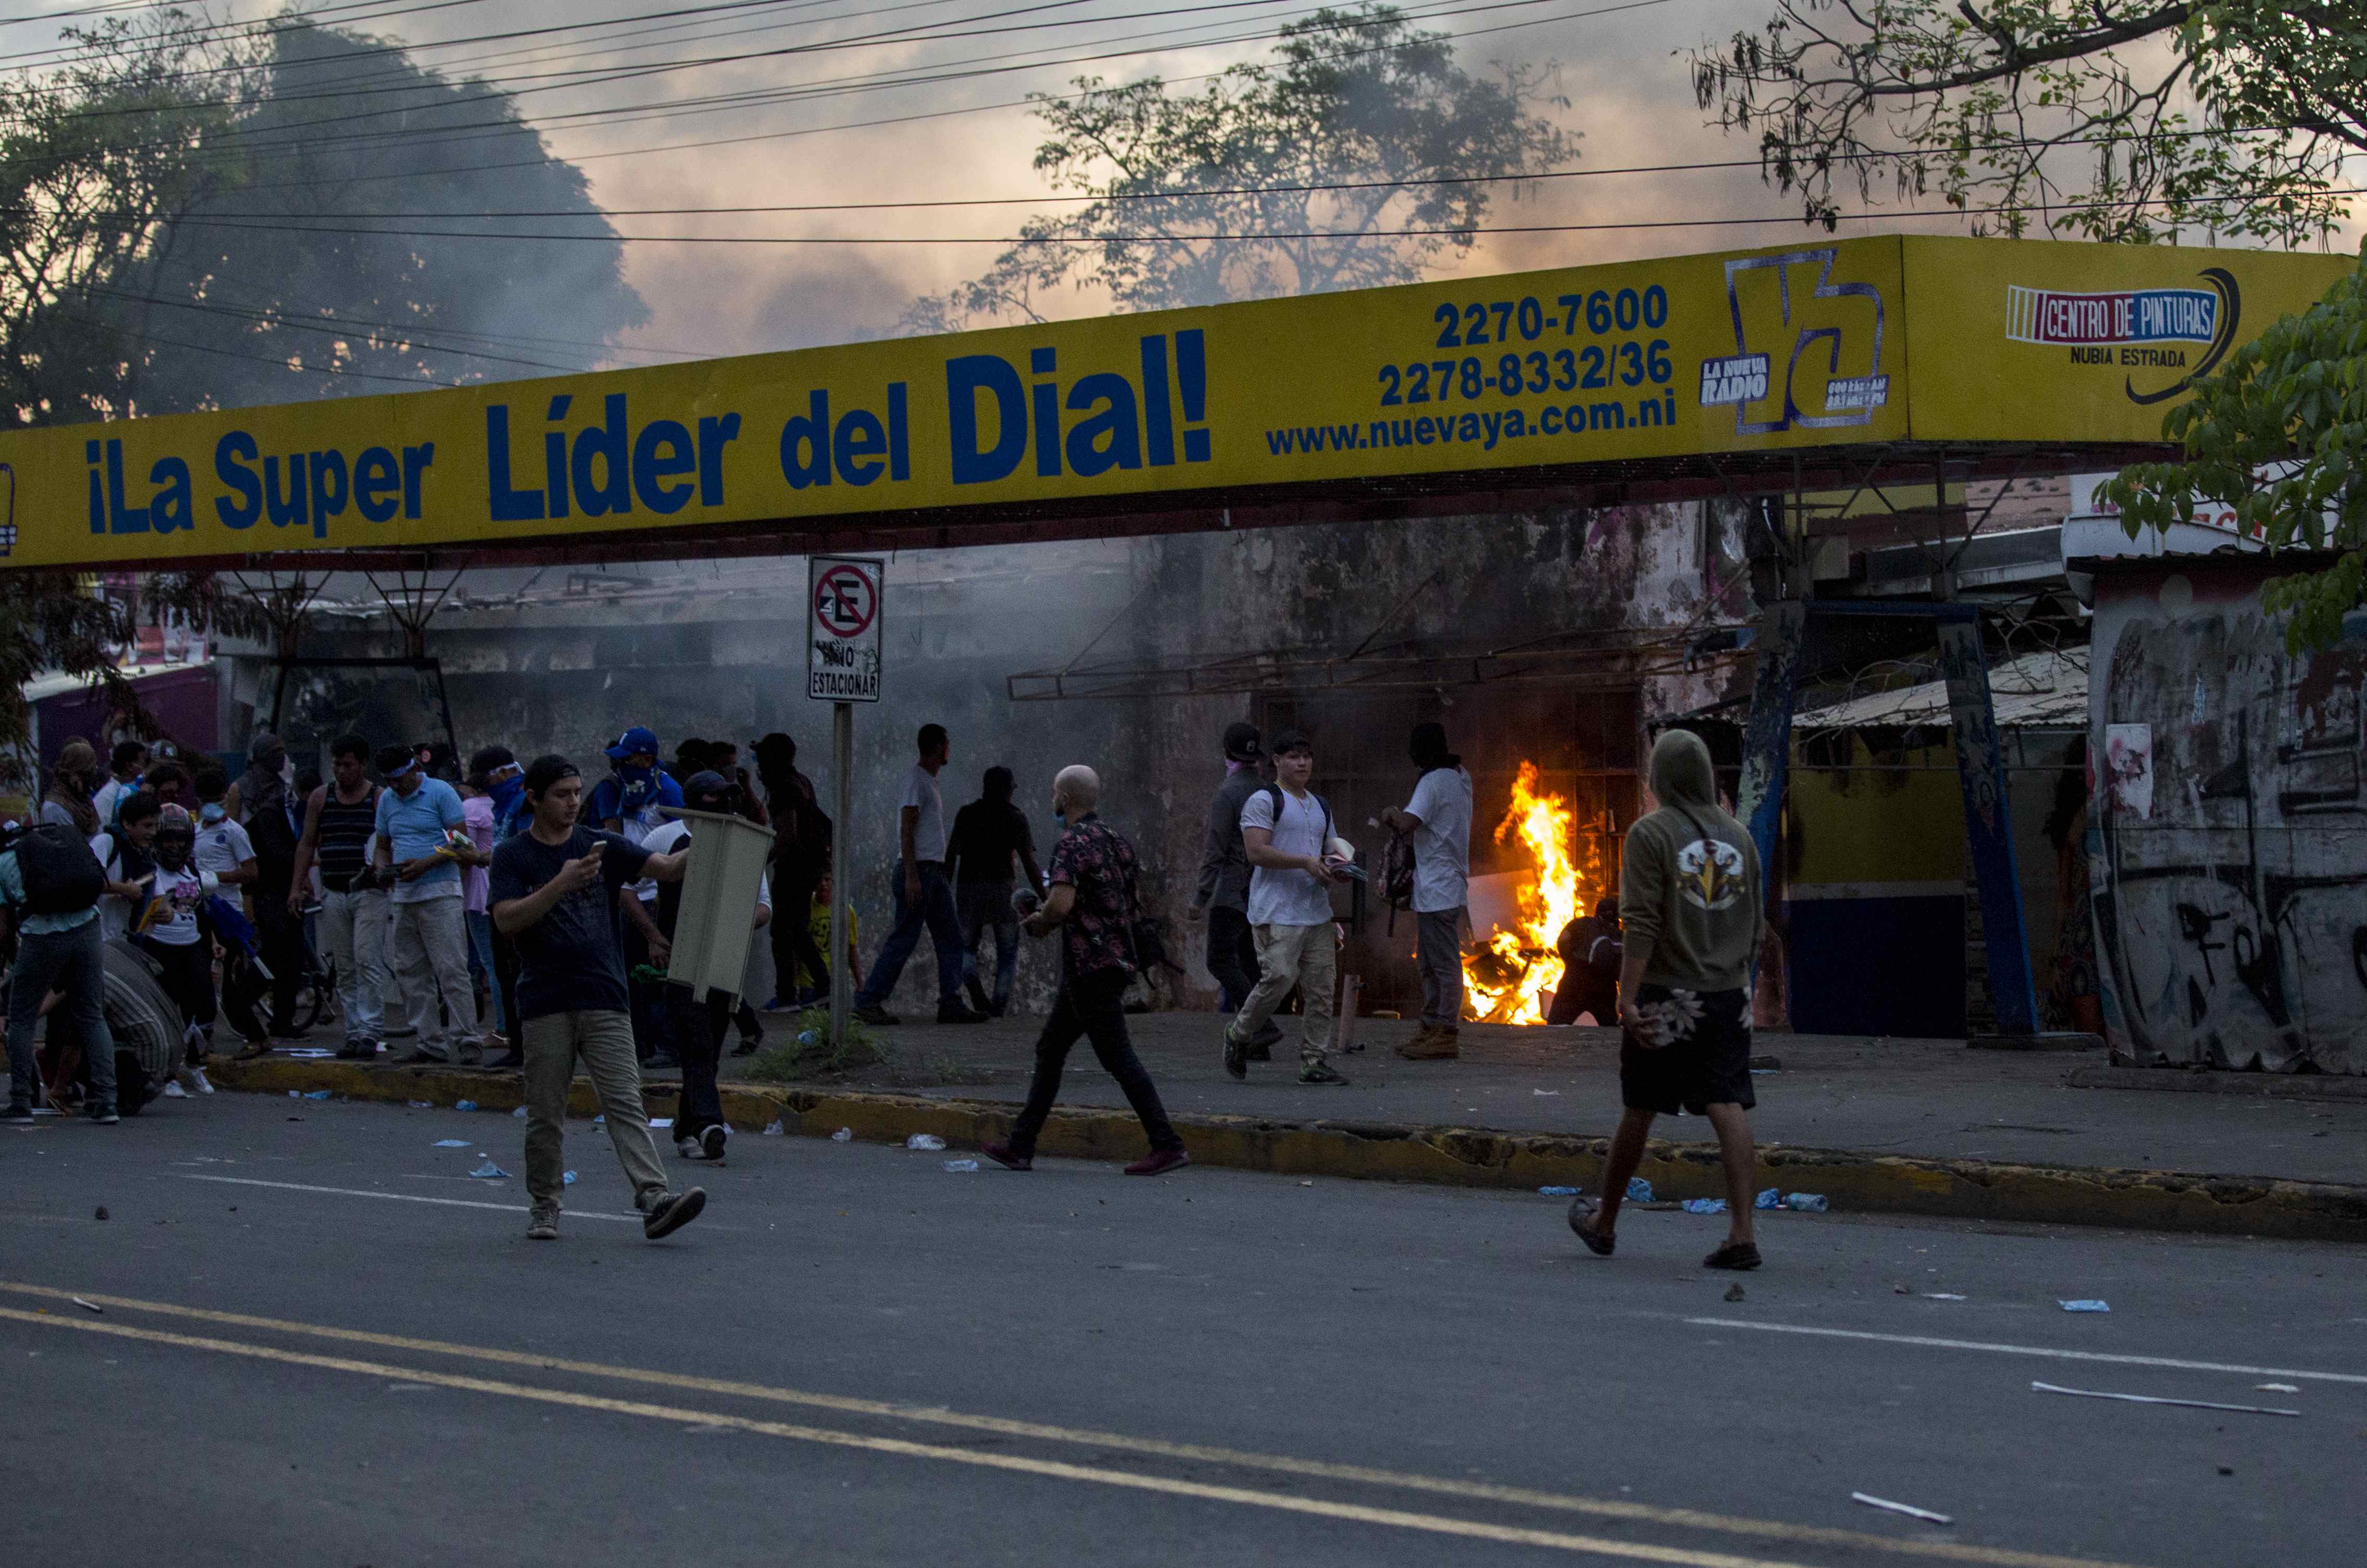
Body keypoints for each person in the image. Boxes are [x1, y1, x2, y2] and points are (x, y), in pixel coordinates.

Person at [1570, 729, 1766, 1271]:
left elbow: (1641, 923)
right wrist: (1735, 976)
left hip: (1667, 996)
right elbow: (1755, 926)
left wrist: (1625, 998)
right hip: (1727, 995)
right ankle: (1742, 1232)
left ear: (1660, 776)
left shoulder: (1649, 834)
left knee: (1640, 1106)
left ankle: (1604, 1221)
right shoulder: (1741, 837)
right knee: (1726, 1102)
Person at [490, 754, 706, 1242]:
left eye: (575, 792)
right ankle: (545, 1204)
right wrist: (562, 881)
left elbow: (667, 869)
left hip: (605, 996)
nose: (572, 803)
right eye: (561, 794)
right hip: (546, 1001)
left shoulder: (601, 845)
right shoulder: (513, 856)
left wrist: (716, 838)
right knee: (546, 1112)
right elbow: (506, 920)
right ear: (533, 798)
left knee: (625, 1102)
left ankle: (654, 1197)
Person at [982, 766, 1188, 1176]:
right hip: (1114, 959)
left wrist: (1039, 921)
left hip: (1089, 966)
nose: (1052, 801)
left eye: (1055, 793)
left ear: (1067, 799)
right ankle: (1021, 1145)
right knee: (1051, 1048)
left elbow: (1060, 904)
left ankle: (1167, 1144)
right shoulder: (1116, 840)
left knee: (1118, 1057)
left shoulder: (1072, 843)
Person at [640, 770, 772, 1162]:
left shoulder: (745, 843)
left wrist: (732, 922)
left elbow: (764, 906)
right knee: (695, 1044)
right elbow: (629, 889)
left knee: (709, 1049)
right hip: (680, 961)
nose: (723, 806)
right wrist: (652, 936)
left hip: (724, 961)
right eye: (714, 799)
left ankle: (687, 1129)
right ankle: (711, 1123)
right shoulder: (665, 838)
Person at [1223, 730, 1353, 1085]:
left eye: (1306, 756)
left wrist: (1338, 869)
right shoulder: (1265, 800)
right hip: (1276, 912)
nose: (1302, 763)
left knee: (1322, 990)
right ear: (1276, 761)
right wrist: (1305, 862)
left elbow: (1330, 851)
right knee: (1278, 978)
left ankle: (1313, 1061)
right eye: (1293, 756)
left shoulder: (1320, 805)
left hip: (1317, 913)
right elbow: (1256, 851)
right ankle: (1239, 1033)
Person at [854, 723, 985, 1026]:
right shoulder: (917, 780)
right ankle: (868, 1001)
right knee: (904, 938)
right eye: (947, 744)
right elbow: (907, 829)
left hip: (932, 873)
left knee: (951, 937)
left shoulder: (928, 782)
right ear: (939, 747)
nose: (949, 750)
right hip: (921, 872)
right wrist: (912, 876)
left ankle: (951, 1002)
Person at [2, 810, 119, 1124]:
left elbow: (3, 926)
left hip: (42, 937)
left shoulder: (4, 862)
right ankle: (107, 1101)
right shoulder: (61, 844)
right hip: (87, 930)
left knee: (22, 1018)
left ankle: (20, 1102)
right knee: (92, 1015)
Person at [373, 743, 486, 1066]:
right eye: (389, 780)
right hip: (404, 896)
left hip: (440, 892)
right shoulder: (387, 801)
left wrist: (426, 863)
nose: (396, 786)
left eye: (399, 778)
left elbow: (462, 843)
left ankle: (469, 1040)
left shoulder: (441, 793)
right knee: (410, 971)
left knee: (451, 968)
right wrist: (382, 867)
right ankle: (430, 1042)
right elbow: (383, 845)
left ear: (413, 769)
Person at [290, 735, 393, 1060]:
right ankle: (353, 1031)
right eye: (336, 764)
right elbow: (307, 843)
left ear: (362, 765)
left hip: (369, 892)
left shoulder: (379, 798)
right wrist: (298, 884)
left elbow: (388, 842)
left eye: (348, 765)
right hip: (333, 891)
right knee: (346, 966)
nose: (341, 771)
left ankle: (370, 1031)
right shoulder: (321, 798)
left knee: (367, 959)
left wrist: (383, 871)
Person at [593, 726, 684, 1065]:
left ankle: (667, 1045)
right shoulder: (624, 789)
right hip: (630, 892)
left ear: (646, 758)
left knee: (662, 975)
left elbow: (683, 839)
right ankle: (640, 1043)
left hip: (659, 896)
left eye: (628, 759)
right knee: (633, 976)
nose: (622, 766)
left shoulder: (668, 790)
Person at [1383, 722, 1474, 1062]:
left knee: (1443, 964)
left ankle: (1445, 1032)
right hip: (1443, 887)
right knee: (1430, 962)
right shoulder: (1460, 777)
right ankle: (1431, 1027)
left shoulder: (1433, 781)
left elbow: (1408, 822)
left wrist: (1391, 814)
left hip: (1438, 889)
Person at [1192, 723, 1272, 1042]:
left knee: (1220, 961)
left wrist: (1200, 898)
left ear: (1227, 754)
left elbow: (1216, 851)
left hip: (1231, 892)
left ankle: (1262, 1026)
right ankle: (1256, 1041)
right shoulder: (1267, 790)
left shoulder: (1228, 794)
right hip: (1260, 892)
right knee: (1251, 965)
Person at [946, 765, 1044, 1018]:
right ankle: (998, 1010)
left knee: (964, 949)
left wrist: (944, 889)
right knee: (1008, 954)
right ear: (1007, 790)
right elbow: (1029, 863)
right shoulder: (1015, 817)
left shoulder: (967, 814)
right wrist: (1046, 895)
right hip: (1002, 890)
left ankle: (977, 992)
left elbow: (950, 856)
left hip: (968, 890)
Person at [229, 731, 306, 1039]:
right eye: (275, 751)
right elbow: (230, 832)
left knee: (292, 955)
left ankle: (282, 1021)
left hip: (286, 876)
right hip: (262, 881)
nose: (281, 756)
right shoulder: (242, 788)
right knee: (272, 954)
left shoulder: (283, 786)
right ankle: (238, 1004)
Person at [135, 807, 223, 1059]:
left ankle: (195, 1063)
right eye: (169, 840)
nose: (175, 847)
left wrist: (214, 942)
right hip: (159, 947)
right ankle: (168, 1073)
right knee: (164, 1010)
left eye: (181, 840)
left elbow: (198, 913)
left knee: (205, 1007)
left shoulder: (192, 872)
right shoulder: (148, 872)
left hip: (192, 947)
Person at [752, 732, 831, 1010]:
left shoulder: (785, 788)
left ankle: (787, 996)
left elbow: (787, 836)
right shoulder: (800, 781)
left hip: (795, 869)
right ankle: (823, 986)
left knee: (783, 931)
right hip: (809, 866)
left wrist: (763, 861)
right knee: (797, 929)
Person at [459, 759, 507, 1056]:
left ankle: (502, 1029)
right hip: (502, 889)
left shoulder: (470, 809)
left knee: (491, 965)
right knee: (502, 964)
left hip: (478, 894)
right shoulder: (500, 806)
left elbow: (465, 854)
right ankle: (508, 1026)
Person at [1548, 897, 1623, 1027]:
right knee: (1610, 1029)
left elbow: (1564, 939)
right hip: (1604, 988)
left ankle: (1551, 1047)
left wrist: (1569, 960)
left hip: (1574, 980)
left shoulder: (1581, 923)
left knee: (1556, 1026)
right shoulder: (1620, 936)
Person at [794, 868, 860, 1003]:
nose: (823, 884)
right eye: (820, 880)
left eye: (828, 880)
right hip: (809, 983)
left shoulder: (846, 911)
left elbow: (852, 949)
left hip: (838, 983)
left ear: (834, 882)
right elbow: (796, 951)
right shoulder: (805, 907)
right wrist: (794, 983)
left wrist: (860, 982)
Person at [192, 767, 258, 895]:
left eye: (216, 800)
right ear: (199, 800)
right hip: (201, 904)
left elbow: (251, 872)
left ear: (225, 798)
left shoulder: (234, 831)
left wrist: (213, 877)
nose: (212, 804)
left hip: (228, 906)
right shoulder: (194, 830)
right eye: (207, 800)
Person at [41, 741, 99, 836]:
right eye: (88, 772)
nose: (92, 775)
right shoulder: (55, 807)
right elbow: (69, 848)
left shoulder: (84, 801)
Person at [93, 741, 149, 829]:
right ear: (130, 766)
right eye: (143, 761)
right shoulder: (109, 794)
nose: (145, 766)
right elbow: (102, 830)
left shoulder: (136, 787)